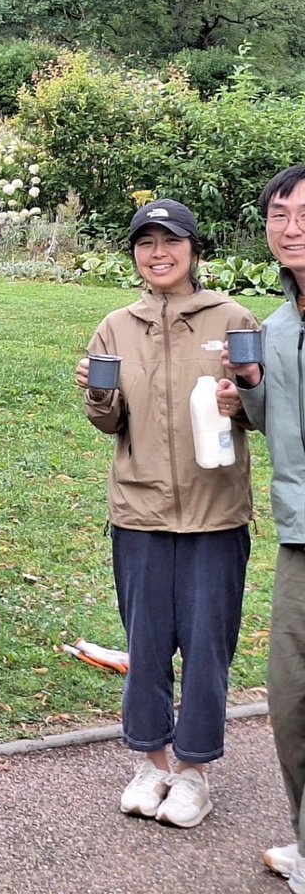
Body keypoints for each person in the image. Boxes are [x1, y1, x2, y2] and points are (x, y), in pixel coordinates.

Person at [76, 198, 257, 829]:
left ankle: (195, 772)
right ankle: (150, 763)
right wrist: (98, 393)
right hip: (140, 511)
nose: (158, 253)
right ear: (134, 253)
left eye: (171, 241)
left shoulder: (232, 317)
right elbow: (109, 422)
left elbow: (262, 407)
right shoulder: (116, 326)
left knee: (208, 647)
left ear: (193, 250)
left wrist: (247, 396)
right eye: (146, 242)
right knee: (146, 645)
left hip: (217, 514)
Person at [218, 166, 305, 885]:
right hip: (301, 534)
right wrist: (246, 393)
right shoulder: (274, 330)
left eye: (304, 213)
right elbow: (278, 427)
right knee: (291, 695)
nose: (292, 227)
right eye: (279, 215)